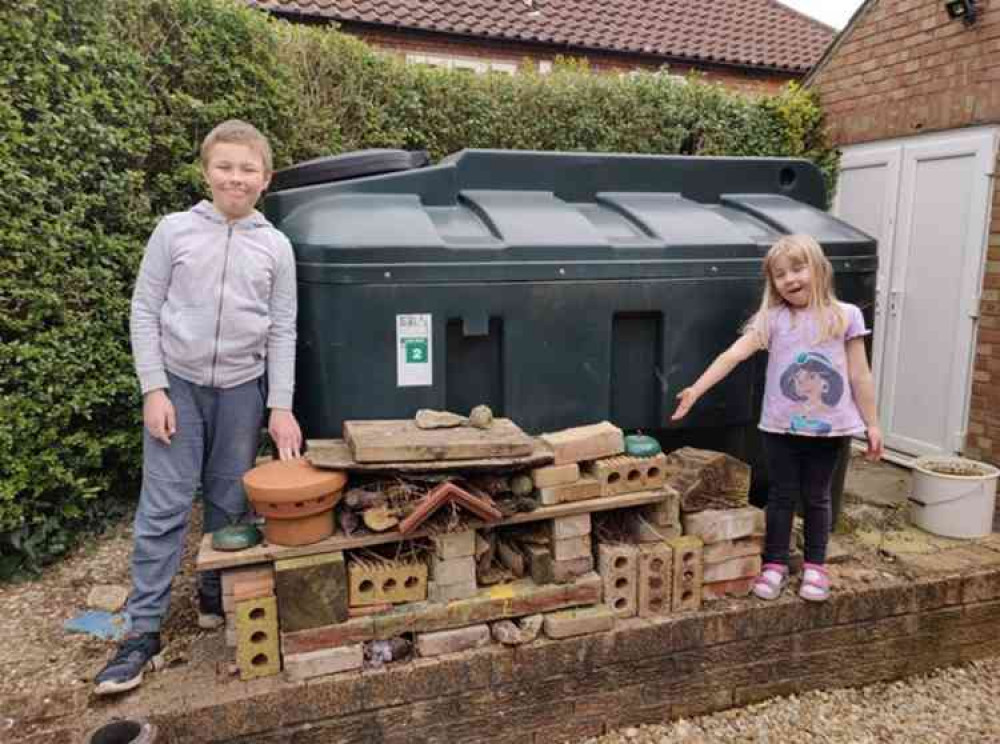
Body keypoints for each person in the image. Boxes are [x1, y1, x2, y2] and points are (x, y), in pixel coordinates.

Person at [95, 120, 302, 695]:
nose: (235, 178)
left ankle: (216, 595)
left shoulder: (276, 247)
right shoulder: (174, 232)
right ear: (206, 171)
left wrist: (279, 405)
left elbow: (283, 329)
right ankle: (141, 633)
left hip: (242, 390)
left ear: (266, 178)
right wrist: (153, 388)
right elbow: (144, 311)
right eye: (225, 167)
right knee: (162, 507)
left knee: (229, 501)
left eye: (247, 169)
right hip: (179, 388)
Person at [671, 233, 882, 603]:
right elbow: (732, 355)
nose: (791, 279)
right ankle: (775, 564)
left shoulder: (844, 317)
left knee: (817, 497)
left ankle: (816, 566)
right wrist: (695, 389)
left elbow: (859, 374)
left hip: (830, 430)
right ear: (773, 283)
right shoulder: (771, 320)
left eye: (798, 268)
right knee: (781, 496)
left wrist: (873, 423)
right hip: (780, 428)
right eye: (780, 274)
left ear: (818, 268)